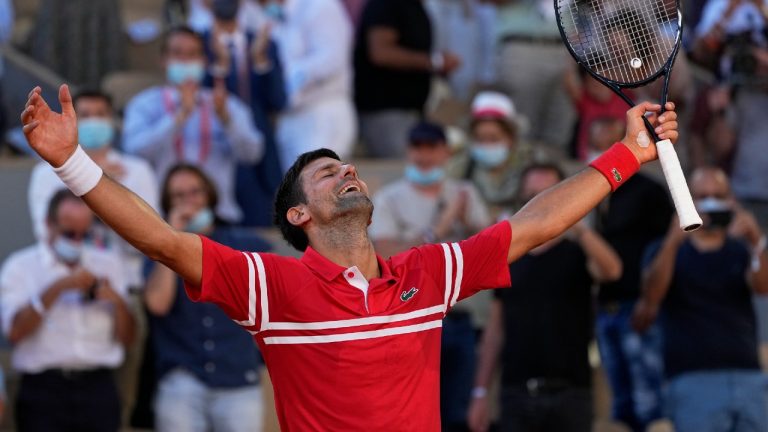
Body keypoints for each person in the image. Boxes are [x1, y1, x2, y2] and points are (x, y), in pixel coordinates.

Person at [20, 82, 679, 430]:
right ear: (299, 217)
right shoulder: (267, 286)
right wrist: (73, 163)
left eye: (349, 166)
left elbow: (531, 227)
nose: (349, 171)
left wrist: (627, 155)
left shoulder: (427, 272)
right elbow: (160, 239)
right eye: (328, 172)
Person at [468, 162, 622, 432]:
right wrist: (480, 393)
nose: (540, 202)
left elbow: (612, 270)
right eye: (531, 196)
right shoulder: (509, 257)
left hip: (571, 391)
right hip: (517, 392)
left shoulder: (577, 251)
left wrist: (575, 221)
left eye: (548, 193)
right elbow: (495, 330)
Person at [368, 121, 491, 431]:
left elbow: (490, 245)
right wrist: (438, 228)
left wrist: (465, 220)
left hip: (459, 318)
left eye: (431, 148)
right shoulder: (390, 198)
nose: (424, 156)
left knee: (456, 416)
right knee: (414, 415)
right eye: (417, 148)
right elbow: (385, 252)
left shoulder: (464, 193)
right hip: (410, 320)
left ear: (445, 152)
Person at [634, 166, 768, 432]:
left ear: (731, 200)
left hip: (748, 376)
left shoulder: (741, 250)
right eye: (701, 196)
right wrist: (673, 240)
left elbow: (763, 288)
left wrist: (757, 240)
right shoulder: (663, 250)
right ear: (685, 199)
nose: (710, 203)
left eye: (718, 195)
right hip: (692, 379)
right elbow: (651, 296)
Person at [145, 164, 271, 432]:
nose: (189, 201)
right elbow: (157, 303)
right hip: (182, 379)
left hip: (238, 377)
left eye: (195, 192)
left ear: (209, 195)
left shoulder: (245, 245)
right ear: (168, 203)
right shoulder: (158, 252)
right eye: (179, 196)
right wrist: (171, 241)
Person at [0, 189, 135, 431]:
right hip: (43, 391)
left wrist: (116, 301)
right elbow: (14, 334)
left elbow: (127, 339)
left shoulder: (108, 264)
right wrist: (59, 287)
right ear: (48, 225)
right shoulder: (20, 267)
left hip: (99, 388)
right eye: (69, 233)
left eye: (84, 235)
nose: (76, 241)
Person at [122, 26, 264, 224]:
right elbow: (134, 152)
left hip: (219, 217)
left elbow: (252, 154)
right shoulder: (143, 105)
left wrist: (226, 120)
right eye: (177, 53)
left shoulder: (226, 104)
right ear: (163, 60)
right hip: (160, 217)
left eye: (192, 54)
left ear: (204, 62)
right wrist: (179, 117)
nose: (185, 60)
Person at [28, 89, 159, 287]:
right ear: (72, 120)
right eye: (86, 115)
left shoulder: (137, 170)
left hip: (128, 284)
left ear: (113, 121)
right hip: (64, 283)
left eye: (100, 114)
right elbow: (47, 234)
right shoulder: (45, 173)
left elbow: (150, 240)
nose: (94, 122)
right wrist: (95, 181)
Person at [591, 120, 673, 431]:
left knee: (650, 403)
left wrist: (651, 300)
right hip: (606, 310)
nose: (598, 136)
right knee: (622, 405)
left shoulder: (648, 191)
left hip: (638, 309)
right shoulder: (597, 192)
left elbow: (666, 246)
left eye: (607, 129)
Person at [203, 0, 287, 226]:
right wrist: (219, 66)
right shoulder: (198, 43)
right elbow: (200, 96)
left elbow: (278, 101)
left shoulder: (264, 44)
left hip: (260, 153)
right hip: (215, 148)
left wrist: (260, 61)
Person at [259, 0, 357, 171]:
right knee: (294, 191)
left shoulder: (320, 6)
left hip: (321, 112)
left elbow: (332, 59)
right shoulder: (272, 15)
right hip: (289, 117)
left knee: (319, 183)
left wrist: (285, 77)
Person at [355, 0, 460, 157]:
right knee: (402, 169)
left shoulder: (416, 6)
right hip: (387, 112)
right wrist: (434, 62)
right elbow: (381, 52)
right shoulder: (387, 4)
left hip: (411, 111)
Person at [449, 91, 530, 219]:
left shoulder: (528, 167)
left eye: (494, 139)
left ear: (511, 139)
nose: (486, 145)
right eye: (480, 139)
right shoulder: (460, 168)